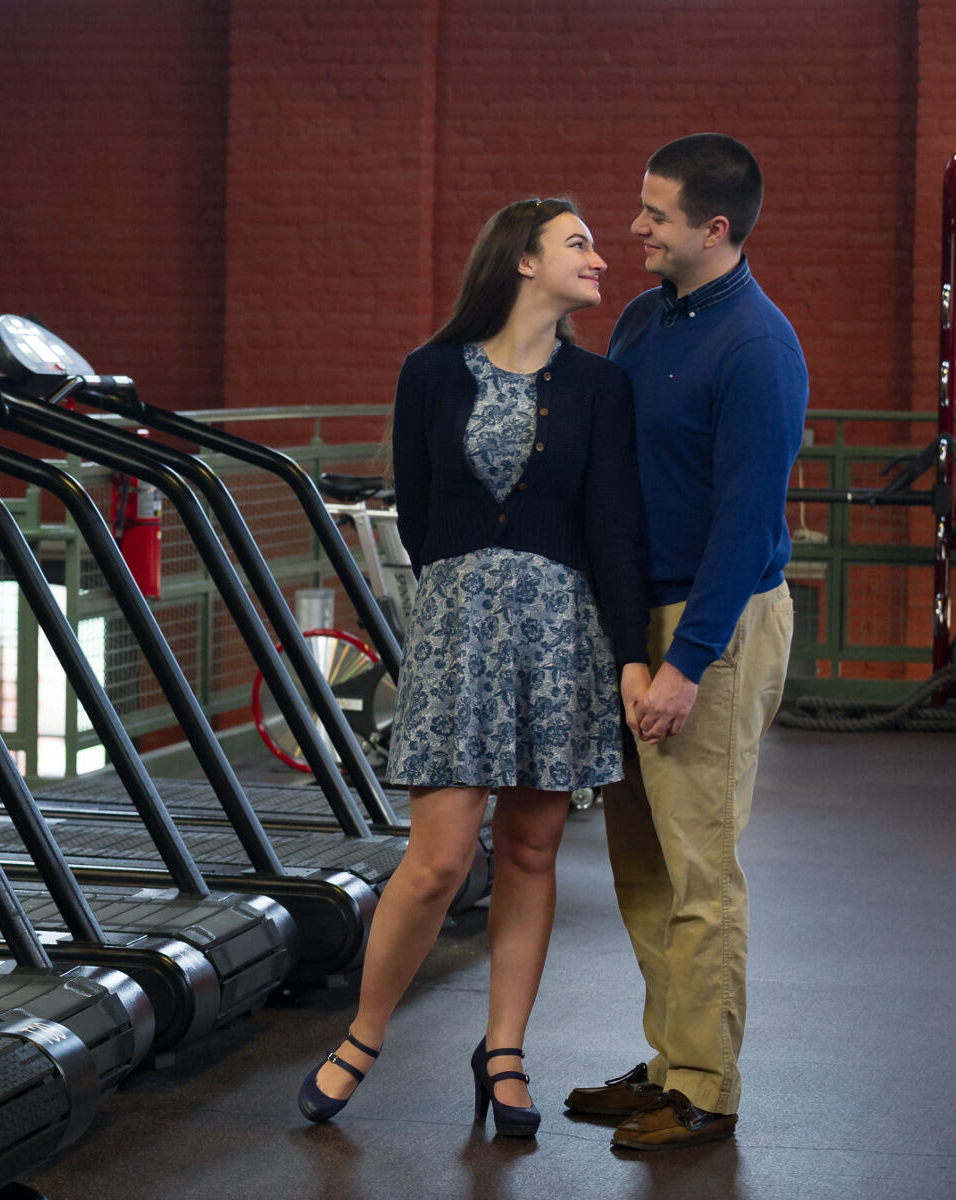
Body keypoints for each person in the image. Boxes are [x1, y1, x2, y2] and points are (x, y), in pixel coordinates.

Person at [297, 197, 649, 1137]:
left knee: (532, 850)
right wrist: (478, 592)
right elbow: (420, 519)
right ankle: (363, 1035)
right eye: (580, 242)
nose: (602, 259)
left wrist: (631, 656)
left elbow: (615, 528)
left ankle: (504, 1054)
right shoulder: (427, 373)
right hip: (460, 631)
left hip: (563, 633)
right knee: (439, 859)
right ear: (522, 261)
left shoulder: (600, 387)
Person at [565, 133, 808, 1151]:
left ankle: (705, 1085)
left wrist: (684, 663)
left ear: (715, 228)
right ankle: (669, 1059)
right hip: (640, 619)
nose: (634, 229)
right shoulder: (642, 319)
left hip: (716, 622)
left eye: (654, 214)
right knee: (643, 863)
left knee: (699, 865)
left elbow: (746, 526)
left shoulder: (757, 348)